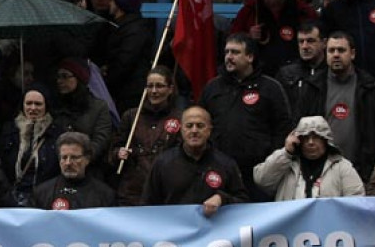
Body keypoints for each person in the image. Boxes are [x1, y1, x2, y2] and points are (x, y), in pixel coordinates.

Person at [200, 32, 293, 200]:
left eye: (235, 52)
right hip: (218, 171)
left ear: (250, 57)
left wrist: (270, 163)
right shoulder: (212, 87)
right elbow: (201, 123)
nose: (229, 57)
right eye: (227, 52)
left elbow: (282, 128)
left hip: (258, 173)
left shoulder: (270, 87)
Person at [293, 31, 375, 181]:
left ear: (353, 54)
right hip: (320, 172)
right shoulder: (312, 87)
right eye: (331, 50)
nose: (336, 55)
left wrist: (373, 167)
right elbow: (298, 126)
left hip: (362, 170)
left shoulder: (371, 88)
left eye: (341, 50)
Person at [142, 106, 249, 216]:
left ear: (209, 130)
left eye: (200, 126)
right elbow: (148, 205)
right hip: (174, 230)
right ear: (181, 129)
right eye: (189, 126)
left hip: (215, 231)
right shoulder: (162, 163)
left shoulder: (226, 164)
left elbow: (243, 202)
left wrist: (222, 198)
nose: (194, 130)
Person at [111, 66, 182, 206]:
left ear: (170, 89)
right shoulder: (131, 116)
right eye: (150, 86)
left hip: (166, 191)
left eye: (159, 86)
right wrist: (117, 153)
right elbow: (113, 148)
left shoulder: (181, 118)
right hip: (132, 193)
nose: (154, 91)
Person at [230, 0, 317, 76]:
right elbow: (232, 45)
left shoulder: (302, 11)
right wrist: (248, 37)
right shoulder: (250, 11)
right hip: (257, 78)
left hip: (295, 80)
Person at [253, 116, 364, 200]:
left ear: (326, 141)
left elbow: (356, 201)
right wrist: (286, 153)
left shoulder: (342, 167)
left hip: (329, 229)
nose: (310, 142)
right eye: (305, 138)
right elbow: (262, 181)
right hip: (291, 228)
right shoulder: (286, 165)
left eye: (316, 137)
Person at [0, 84, 62, 206]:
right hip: (13, 199)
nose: (32, 108)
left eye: (38, 104)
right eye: (28, 103)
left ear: (46, 106)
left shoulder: (56, 133)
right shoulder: (9, 130)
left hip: (45, 198)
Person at [30, 131, 115, 210]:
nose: (68, 163)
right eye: (64, 157)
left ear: (87, 159)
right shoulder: (42, 193)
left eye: (74, 158)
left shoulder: (105, 195)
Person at [103, 0, 154, 113]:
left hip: (130, 92)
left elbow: (125, 60)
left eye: (112, 0)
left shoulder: (134, 29)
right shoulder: (123, 26)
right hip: (125, 90)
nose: (109, 3)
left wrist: (108, 80)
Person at [52, 58, 112, 161]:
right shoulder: (55, 105)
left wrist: (80, 158)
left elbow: (100, 140)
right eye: (58, 77)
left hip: (88, 165)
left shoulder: (98, 107)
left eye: (65, 76)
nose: (59, 81)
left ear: (79, 78)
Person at [275, 21, 327, 120]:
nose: (304, 46)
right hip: (294, 133)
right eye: (301, 41)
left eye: (310, 41)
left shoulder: (333, 73)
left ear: (324, 43)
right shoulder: (286, 74)